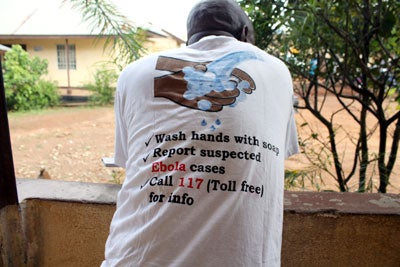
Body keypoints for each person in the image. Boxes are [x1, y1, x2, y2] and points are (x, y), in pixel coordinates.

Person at [102, 0, 299, 266]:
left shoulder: (134, 74)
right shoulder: (277, 72)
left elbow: (134, 163)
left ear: (190, 39)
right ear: (244, 35)